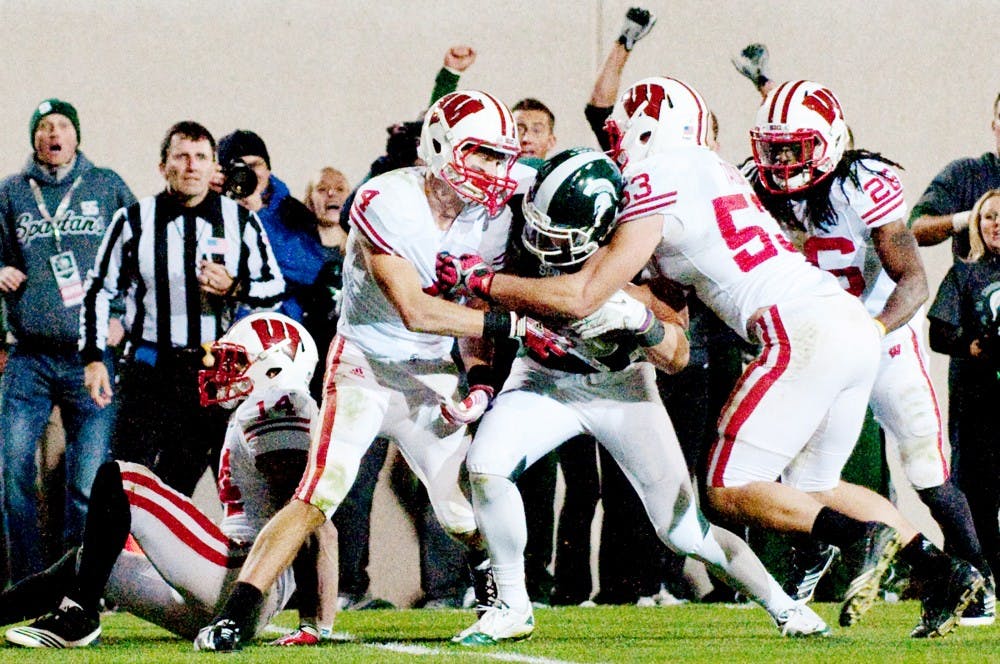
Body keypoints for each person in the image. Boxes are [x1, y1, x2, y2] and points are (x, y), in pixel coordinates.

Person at [437, 76, 986, 639]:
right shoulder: (712, 170)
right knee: (814, 483)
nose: (619, 144)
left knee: (725, 488)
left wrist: (484, 279)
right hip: (849, 325)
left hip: (798, 330)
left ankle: (858, 539)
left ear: (646, 131)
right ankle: (941, 570)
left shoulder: (658, 177)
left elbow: (583, 294)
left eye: (624, 132)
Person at [193, 90, 565, 651]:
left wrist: (483, 383)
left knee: (460, 508)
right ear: (439, 148)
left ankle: (500, 592)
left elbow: (474, 310)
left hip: (433, 367)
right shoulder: (386, 200)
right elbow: (416, 308)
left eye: (500, 157)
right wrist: (512, 328)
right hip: (365, 366)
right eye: (483, 155)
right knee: (317, 493)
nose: (495, 170)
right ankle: (239, 612)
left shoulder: (491, 214)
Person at [443, 147, 830, 644]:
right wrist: (480, 375)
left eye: (557, 234)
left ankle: (784, 606)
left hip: (621, 388)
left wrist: (642, 323)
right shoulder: (519, 214)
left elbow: (679, 356)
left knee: (683, 530)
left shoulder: (644, 252)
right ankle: (512, 603)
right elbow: (480, 301)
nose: (541, 240)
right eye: (538, 225)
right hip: (542, 378)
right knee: (486, 466)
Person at [746, 79, 994, 626]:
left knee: (926, 468)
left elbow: (913, 283)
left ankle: (977, 582)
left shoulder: (866, 185)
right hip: (818, 342)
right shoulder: (756, 188)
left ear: (829, 142)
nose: (783, 161)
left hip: (884, 334)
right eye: (775, 147)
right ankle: (815, 557)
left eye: (797, 147)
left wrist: (871, 331)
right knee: (807, 472)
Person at [1, 313, 337, 648]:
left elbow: (306, 518)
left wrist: (312, 619)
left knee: (123, 479)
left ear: (274, 368)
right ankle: (60, 611)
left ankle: (78, 617)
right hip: (231, 589)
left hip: (242, 577)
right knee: (88, 562)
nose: (223, 371)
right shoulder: (259, 408)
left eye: (236, 361)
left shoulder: (280, 401)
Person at [79, 120, 286, 497]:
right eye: (182, 156)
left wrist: (235, 287)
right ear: (163, 167)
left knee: (177, 490)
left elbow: (274, 291)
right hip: (149, 368)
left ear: (213, 168)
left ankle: (160, 556)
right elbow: (98, 288)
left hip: (209, 372)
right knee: (125, 483)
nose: (191, 165)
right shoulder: (133, 220)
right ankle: (117, 557)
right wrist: (93, 357)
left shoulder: (239, 220)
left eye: (201, 157)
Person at [0, 98, 136, 584]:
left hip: (91, 357)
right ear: (33, 138)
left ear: (76, 135)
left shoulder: (108, 186)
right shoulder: (11, 192)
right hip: (28, 356)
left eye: (61, 125)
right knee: (13, 472)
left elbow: (142, 258)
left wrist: (124, 317)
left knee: (88, 481)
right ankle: (25, 584)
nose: (52, 134)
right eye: (42, 127)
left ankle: (79, 586)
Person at [927, 188, 1000, 626]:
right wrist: (973, 346)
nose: (997, 224)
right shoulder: (964, 275)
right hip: (978, 408)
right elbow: (938, 332)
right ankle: (979, 580)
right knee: (977, 495)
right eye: (990, 216)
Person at [216, 130, 328, 329]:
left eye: (255, 165)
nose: (249, 173)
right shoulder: (212, 209)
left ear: (268, 169)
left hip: (278, 327)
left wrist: (259, 215)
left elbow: (308, 269)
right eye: (239, 166)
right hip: (223, 326)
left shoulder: (293, 211)